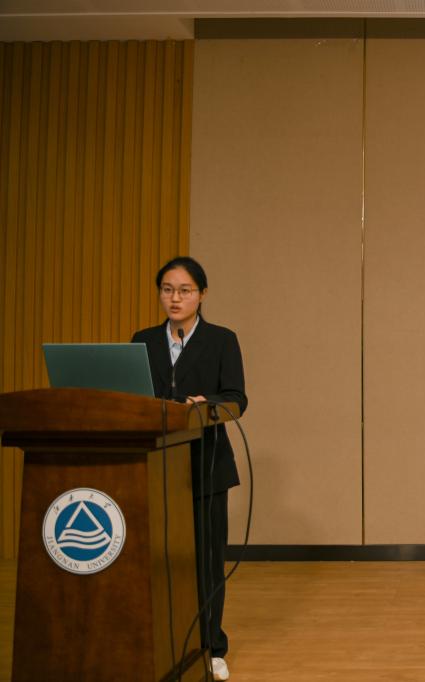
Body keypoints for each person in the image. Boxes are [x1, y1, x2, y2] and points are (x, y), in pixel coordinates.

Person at [132, 256, 247, 682]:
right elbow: (133, 396)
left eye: (184, 290)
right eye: (167, 289)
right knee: (161, 560)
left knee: (207, 562)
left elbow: (237, 399)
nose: (175, 298)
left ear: (202, 294)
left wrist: (206, 404)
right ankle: (162, 641)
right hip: (156, 465)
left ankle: (211, 646)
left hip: (206, 465)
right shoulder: (143, 341)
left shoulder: (221, 340)